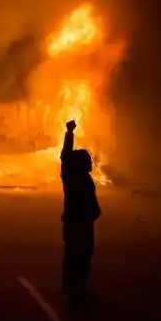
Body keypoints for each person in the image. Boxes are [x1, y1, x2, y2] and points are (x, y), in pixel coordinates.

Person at [60, 119, 101, 302]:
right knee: (75, 255)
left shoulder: (82, 177)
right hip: (76, 223)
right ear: (81, 164)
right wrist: (69, 134)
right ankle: (71, 289)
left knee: (84, 255)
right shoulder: (72, 177)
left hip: (84, 222)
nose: (91, 163)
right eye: (88, 160)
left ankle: (77, 287)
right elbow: (65, 156)